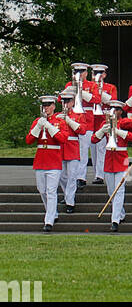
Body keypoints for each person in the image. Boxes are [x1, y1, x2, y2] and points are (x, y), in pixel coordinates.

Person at [26, 95, 71, 232]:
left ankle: (49, 220)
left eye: (48, 105)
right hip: (41, 160)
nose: (46, 108)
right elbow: (29, 140)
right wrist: (39, 126)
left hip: (54, 160)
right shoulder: (37, 121)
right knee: (42, 190)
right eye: (44, 106)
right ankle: (52, 212)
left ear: (53, 106)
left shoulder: (60, 121)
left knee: (51, 191)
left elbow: (63, 138)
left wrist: (49, 127)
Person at [92, 98, 132, 231]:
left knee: (119, 190)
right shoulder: (105, 123)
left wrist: (119, 131)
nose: (113, 111)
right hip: (109, 159)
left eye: (116, 109)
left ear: (120, 112)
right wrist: (101, 131)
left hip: (122, 159)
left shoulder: (125, 123)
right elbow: (94, 140)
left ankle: (114, 221)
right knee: (111, 191)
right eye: (111, 109)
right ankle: (120, 213)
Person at [88, 65, 116, 184]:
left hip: (104, 118)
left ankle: (100, 175)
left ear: (104, 74)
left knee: (101, 148)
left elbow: (113, 102)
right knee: (93, 149)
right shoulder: (88, 86)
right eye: (95, 73)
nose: (97, 75)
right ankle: (97, 173)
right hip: (91, 119)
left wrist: (99, 93)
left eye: (100, 73)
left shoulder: (110, 87)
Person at [57, 89, 83, 212]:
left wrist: (68, 120)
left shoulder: (78, 115)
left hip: (72, 147)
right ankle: (68, 195)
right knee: (62, 176)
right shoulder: (57, 115)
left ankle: (70, 202)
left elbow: (82, 130)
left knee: (72, 176)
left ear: (73, 102)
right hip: (60, 147)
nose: (65, 103)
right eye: (63, 101)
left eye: (68, 101)